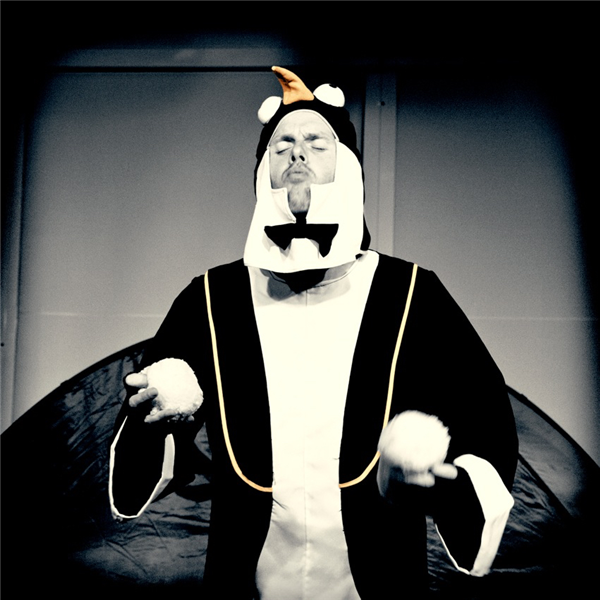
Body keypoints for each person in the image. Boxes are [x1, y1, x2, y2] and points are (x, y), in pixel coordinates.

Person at [109, 66, 518, 599]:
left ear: (347, 169)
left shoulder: (412, 292)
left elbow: (484, 419)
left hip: (380, 581)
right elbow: (146, 433)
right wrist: (156, 416)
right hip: (245, 582)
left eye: (316, 143)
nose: (297, 153)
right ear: (263, 173)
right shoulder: (211, 298)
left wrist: (441, 485)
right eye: (281, 145)